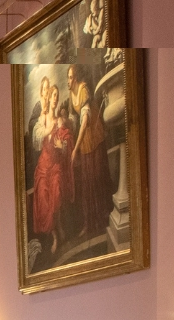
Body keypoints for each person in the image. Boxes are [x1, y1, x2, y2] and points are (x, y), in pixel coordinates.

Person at [31, 76, 74, 263]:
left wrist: (61, 145)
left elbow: (65, 145)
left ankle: (60, 229)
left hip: (55, 165)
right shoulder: (42, 119)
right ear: (48, 98)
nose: (55, 98)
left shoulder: (59, 121)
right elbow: (37, 141)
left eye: (57, 95)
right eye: (52, 95)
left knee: (56, 196)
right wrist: (48, 134)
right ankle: (56, 234)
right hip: (43, 166)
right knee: (44, 201)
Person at [68, 65, 112, 241]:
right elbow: (75, 118)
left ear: (77, 77)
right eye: (67, 77)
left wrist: (75, 149)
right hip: (85, 139)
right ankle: (89, 223)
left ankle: (100, 220)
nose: (68, 81)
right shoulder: (71, 95)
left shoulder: (84, 90)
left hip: (93, 136)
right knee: (87, 181)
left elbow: (85, 122)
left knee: (96, 177)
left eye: (71, 77)